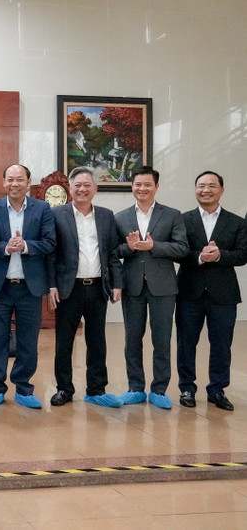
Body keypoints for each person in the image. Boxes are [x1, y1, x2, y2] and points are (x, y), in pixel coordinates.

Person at [46, 166, 123, 408]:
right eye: (77, 185)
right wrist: (51, 286)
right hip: (69, 288)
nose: (82, 189)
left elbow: (112, 253)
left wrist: (117, 283)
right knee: (64, 341)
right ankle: (64, 389)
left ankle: (96, 389)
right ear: (70, 188)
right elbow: (51, 254)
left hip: (98, 287)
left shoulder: (106, 215)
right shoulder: (57, 215)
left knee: (97, 340)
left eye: (87, 185)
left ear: (95, 189)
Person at [114, 166, 188, 409]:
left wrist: (155, 246)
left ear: (157, 187)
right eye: (137, 184)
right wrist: (132, 247)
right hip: (132, 286)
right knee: (132, 339)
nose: (142, 189)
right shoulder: (121, 217)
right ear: (132, 186)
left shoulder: (172, 215)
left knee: (162, 339)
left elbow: (182, 249)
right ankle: (135, 387)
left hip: (164, 287)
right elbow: (114, 252)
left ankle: (159, 390)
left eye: (147, 184)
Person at [0, 164, 55, 409]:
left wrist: (25, 246)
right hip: (0, 285)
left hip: (30, 286)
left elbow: (50, 242)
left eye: (19, 180)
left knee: (27, 339)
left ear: (28, 182)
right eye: (10, 180)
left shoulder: (42, 208)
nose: (15, 184)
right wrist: (5, 248)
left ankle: (24, 388)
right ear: (3, 182)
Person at [176, 171, 247, 411]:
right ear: (195, 189)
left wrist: (220, 255)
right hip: (189, 292)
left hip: (223, 295)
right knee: (186, 343)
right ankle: (187, 388)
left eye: (211, 186)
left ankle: (217, 390)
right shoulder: (182, 220)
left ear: (222, 190)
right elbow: (177, 251)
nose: (206, 190)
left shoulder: (237, 222)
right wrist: (198, 256)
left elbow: (243, 254)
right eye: (201, 186)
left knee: (221, 344)